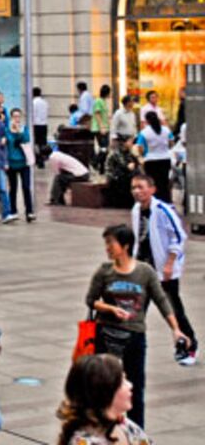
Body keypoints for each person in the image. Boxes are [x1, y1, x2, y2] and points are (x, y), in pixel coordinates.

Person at [84, 223, 187, 427]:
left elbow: (161, 300)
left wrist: (176, 330)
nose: (107, 248)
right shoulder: (104, 272)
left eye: (110, 243)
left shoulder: (145, 271)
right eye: (106, 244)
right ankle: (102, 428)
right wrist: (110, 309)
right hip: (106, 334)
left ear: (125, 245)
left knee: (135, 389)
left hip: (134, 336)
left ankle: (136, 432)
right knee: (103, 386)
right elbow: (90, 300)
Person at [130, 173, 197, 365]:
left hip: (164, 270)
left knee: (173, 310)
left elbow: (179, 237)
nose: (137, 191)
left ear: (152, 189)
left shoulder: (163, 210)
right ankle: (132, 349)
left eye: (141, 187)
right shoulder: (136, 210)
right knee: (137, 309)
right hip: (144, 268)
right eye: (134, 187)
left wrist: (169, 264)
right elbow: (138, 240)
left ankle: (188, 346)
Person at [56, 353, 150, 445]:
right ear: (105, 392)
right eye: (122, 381)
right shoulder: (84, 441)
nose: (130, 385)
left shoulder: (126, 426)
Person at [4, 108, 36, 222]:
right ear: (11, 117)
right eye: (14, 116)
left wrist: (18, 131)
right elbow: (6, 144)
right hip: (11, 163)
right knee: (13, 188)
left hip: (24, 162)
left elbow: (26, 140)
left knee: (26, 187)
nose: (17, 119)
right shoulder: (6, 130)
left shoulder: (24, 129)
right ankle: (13, 211)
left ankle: (29, 211)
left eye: (18, 116)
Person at [135, 111, 173, 203]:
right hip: (165, 159)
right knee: (164, 182)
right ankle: (166, 202)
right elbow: (171, 143)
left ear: (147, 121)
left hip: (151, 160)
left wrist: (143, 154)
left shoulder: (144, 132)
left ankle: (154, 202)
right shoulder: (166, 130)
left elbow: (140, 147)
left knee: (153, 183)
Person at [32, 87, 49, 168]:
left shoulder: (34, 103)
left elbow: (33, 114)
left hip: (36, 124)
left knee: (36, 143)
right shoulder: (44, 102)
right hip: (44, 124)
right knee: (43, 142)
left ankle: (39, 159)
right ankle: (43, 158)